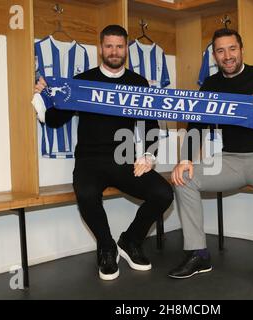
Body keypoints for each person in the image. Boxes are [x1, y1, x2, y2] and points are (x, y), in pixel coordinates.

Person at [168, 28, 253, 288]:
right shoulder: (211, 84)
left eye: (232, 49)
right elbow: (196, 125)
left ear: (241, 49)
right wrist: (186, 159)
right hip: (230, 160)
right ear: (214, 55)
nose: (227, 55)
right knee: (183, 178)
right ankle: (198, 253)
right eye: (220, 51)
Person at [34, 25, 173, 281]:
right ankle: (106, 246)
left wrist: (149, 156)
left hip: (124, 159)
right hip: (89, 160)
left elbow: (150, 125)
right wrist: (44, 95)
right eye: (109, 46)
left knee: (163, 193)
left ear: (126, 49)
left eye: (119, 46)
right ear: (100, 48)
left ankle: (130, 241)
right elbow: (55, 119)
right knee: (86, 193)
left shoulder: (138, 83)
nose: (114, 51)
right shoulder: (82, 81)